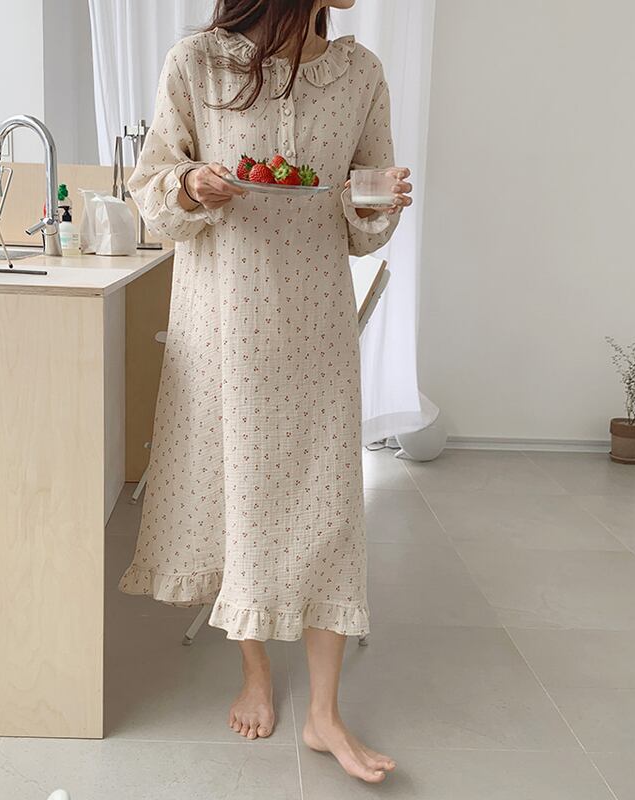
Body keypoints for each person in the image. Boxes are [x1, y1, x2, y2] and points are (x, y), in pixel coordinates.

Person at [120, 0, 413, 784]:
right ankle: (253, 670)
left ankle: (325, 713)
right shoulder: (197, 64)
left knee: (328, 503)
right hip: (224, 322)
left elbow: (360, 225)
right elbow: (152, 186)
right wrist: (190, 185)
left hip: (315, 324)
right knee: (238, 494)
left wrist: (377, 202)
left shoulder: (360, 74)